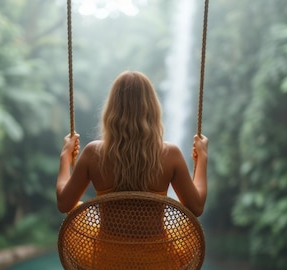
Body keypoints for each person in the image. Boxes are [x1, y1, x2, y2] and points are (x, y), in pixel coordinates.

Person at [56, 71, 208, 216]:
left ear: (112, 109)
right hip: (156, 244)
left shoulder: (93, 153)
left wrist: (65, 156)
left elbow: (64, 204)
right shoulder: (171, 154)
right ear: (152, 109)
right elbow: (196, 207)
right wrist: (202, 157)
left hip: (107, 243)